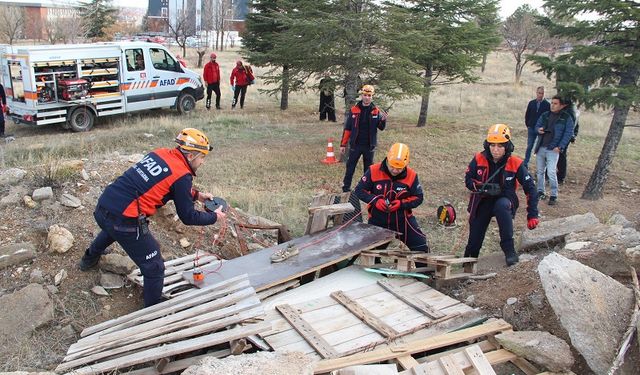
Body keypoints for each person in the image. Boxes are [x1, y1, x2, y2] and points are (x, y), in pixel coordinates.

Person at [79, 128, 227, 307]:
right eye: (202, 157)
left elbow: (163, 183)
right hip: (123, 222)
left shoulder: (160, 153)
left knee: (112, 229)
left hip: (103, 207)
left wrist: (196, 195)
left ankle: (88, 259)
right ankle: (152, 310)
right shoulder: (182, 176)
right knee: (155, 267)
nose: (202, 162)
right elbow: (188, 217)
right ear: (191, 156)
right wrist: (214, 217)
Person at [464, 124, 539, 266]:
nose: (495, 150)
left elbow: (531, 189)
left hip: (505, 199)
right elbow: (468, 180)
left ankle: (509, 250)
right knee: (474, 239)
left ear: (507, 146)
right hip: (483, 200)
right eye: (492, 146)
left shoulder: (515, 163)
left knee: (502, 206)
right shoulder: (479, 158)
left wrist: (532, 215)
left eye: (500, 146)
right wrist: (482, 187)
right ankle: (468, 261)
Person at [355, 143, 428, 252]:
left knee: (421, 246)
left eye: (399, 168)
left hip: (403, 220)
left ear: (406, 164)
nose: (394, 170)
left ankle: (425, 269)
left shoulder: (411, 175)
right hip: (378, 220)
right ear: (387, 159)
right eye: (392, 166)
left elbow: (418, 197)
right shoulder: (373, 170)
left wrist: (401, 204)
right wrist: (375, 201)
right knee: (371, 252)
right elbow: (359, 190)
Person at [340, 84, 387, 193]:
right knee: (350, 168)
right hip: (355, 145)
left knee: (368, 170)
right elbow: (348, 129)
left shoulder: (376, 111)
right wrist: (343, 145)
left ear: (372, 96)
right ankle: (346, 188)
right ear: (362, 95)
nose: (367, 97)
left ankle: (366, 189)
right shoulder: (354, 110)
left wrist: (383, 119)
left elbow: (381, 127)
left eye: (369, 95)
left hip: (369, 146)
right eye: (365, 95)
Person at [534, 95, 575, 205]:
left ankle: (553, 194)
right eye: (552, 103)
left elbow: (568, 134)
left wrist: (560, 146)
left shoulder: (566, 118)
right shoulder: (545, 115)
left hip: (553, 149)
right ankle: (540, 191)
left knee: (551, 172)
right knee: (540, 171)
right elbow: (536, 126)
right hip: (541, 147)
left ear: (561, 105)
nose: (552, 105)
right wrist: (539, 130)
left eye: (555, 103)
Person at [524, 86, 550, 169]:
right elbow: (527, 115)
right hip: (531, 127)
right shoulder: (531, 103)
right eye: (539, 93)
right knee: (529, 146)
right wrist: (528, 124)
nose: (540, 95)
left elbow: (548, 117)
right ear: (536, 93)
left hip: (541, 129)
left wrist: (544, 127)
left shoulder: (547, 105)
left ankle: (540, 165)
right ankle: (525, 163)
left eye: (542, 93)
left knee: (539, 147)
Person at [556, 101, 579, 184]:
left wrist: (572, 136)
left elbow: (571, 125)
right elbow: (577, 125)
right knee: (560, 155)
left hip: (564, 136)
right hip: (565, 136)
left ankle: (561, 177)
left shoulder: (569, 111)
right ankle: (559, 175)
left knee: (561, 155)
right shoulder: (573, 109)